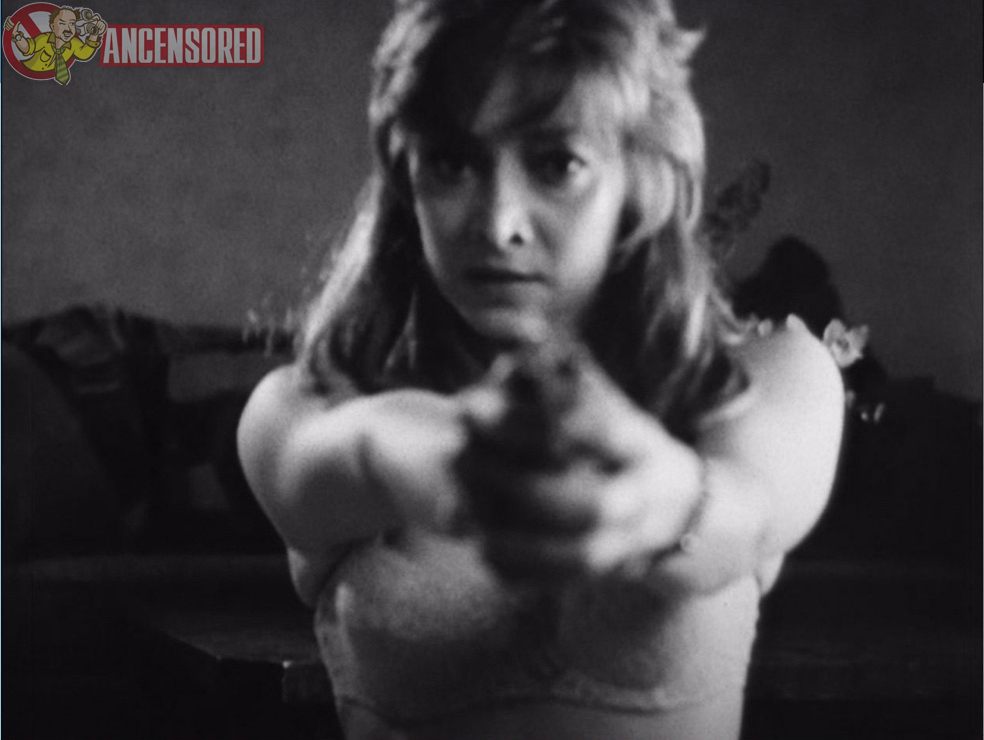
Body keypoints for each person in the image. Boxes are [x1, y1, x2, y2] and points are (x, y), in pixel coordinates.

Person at [237, 0, 844, 737]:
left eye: (557, 163)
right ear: (406, 177)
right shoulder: (300, 408)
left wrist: (657, 499)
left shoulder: (773, 377)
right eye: (451, 163)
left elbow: (746, 515)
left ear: (639, 176)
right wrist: (461, 457)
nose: (499, 224)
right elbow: (364, 449)